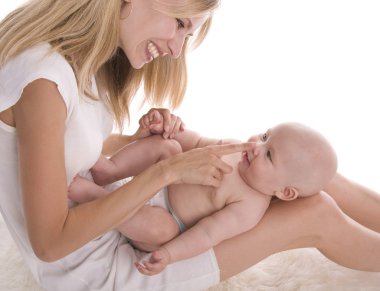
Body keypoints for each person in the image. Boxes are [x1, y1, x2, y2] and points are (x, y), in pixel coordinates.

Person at [0, 0, 380, 290]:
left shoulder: (70, 61)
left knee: (303, 164)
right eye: (180, 24)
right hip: (106, 271)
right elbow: (50, 244)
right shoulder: (44, 84)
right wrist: (168, 171)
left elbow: (69, 151)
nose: (177, 50)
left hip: (116, 232)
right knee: (315, 212)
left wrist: (136, 141)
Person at [68, 115, 338, 273]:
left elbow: (207, 234)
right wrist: (171, 126)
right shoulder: (236, 148)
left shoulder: (250, 207)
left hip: (166, 217)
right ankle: (110, 169)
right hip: (159, 179)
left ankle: (93, 195)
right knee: (169, 147)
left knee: (161, 231)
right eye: (266, 135)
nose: (256, 145)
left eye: (269, 154)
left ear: (285, 192)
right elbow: (195, 144)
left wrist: (171, 254)